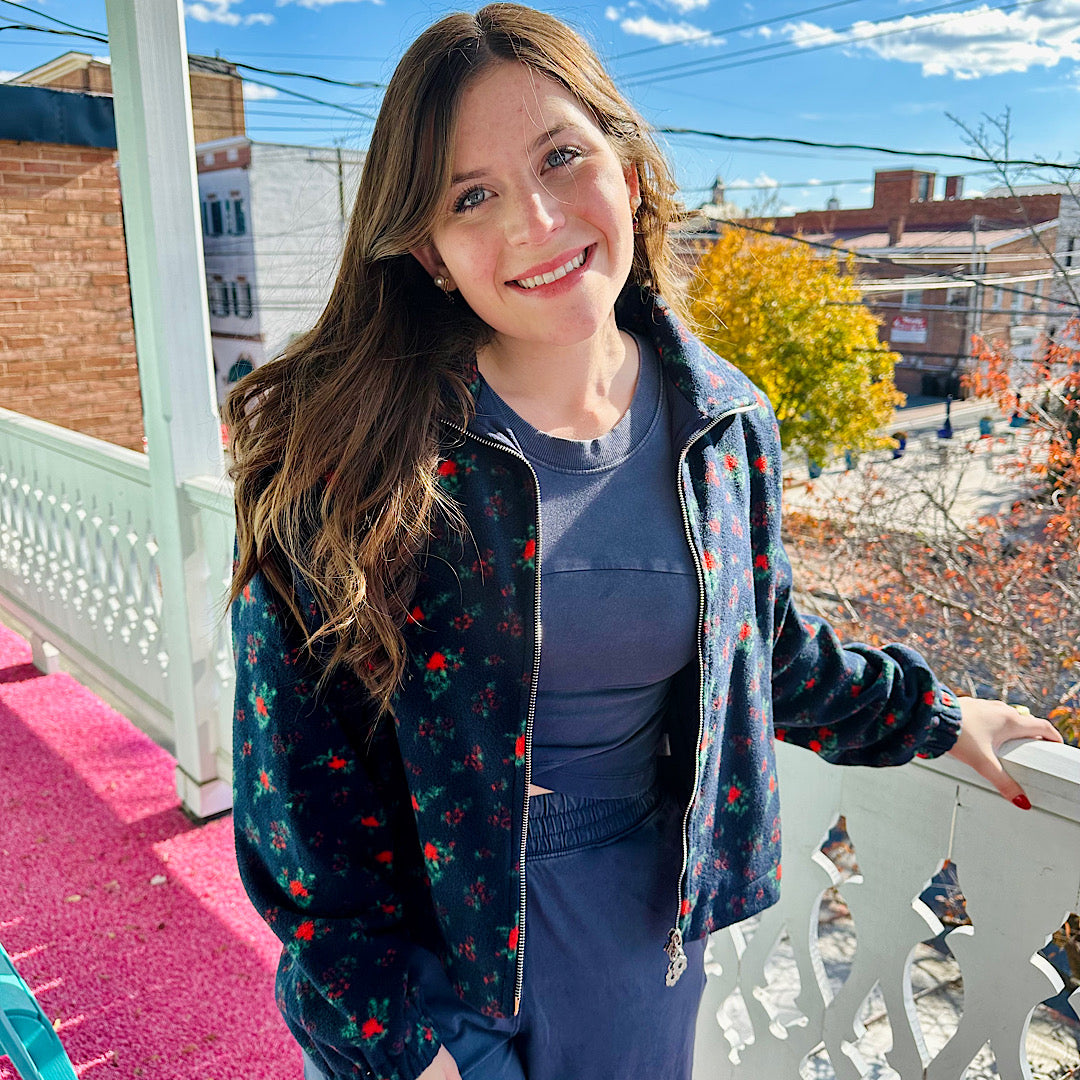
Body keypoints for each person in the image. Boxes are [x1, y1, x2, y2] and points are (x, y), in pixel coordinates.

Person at [224, 7, 1062, 1080]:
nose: (535, 221)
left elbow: (764, 654)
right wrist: (397, 1043)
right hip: (422, 954)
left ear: (626, 170)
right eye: (471, 196)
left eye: (559, 158)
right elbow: (298, 786)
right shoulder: (347, 448)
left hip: (633, 930)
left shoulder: (722, 425)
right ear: (429, 251)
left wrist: (932, 717)